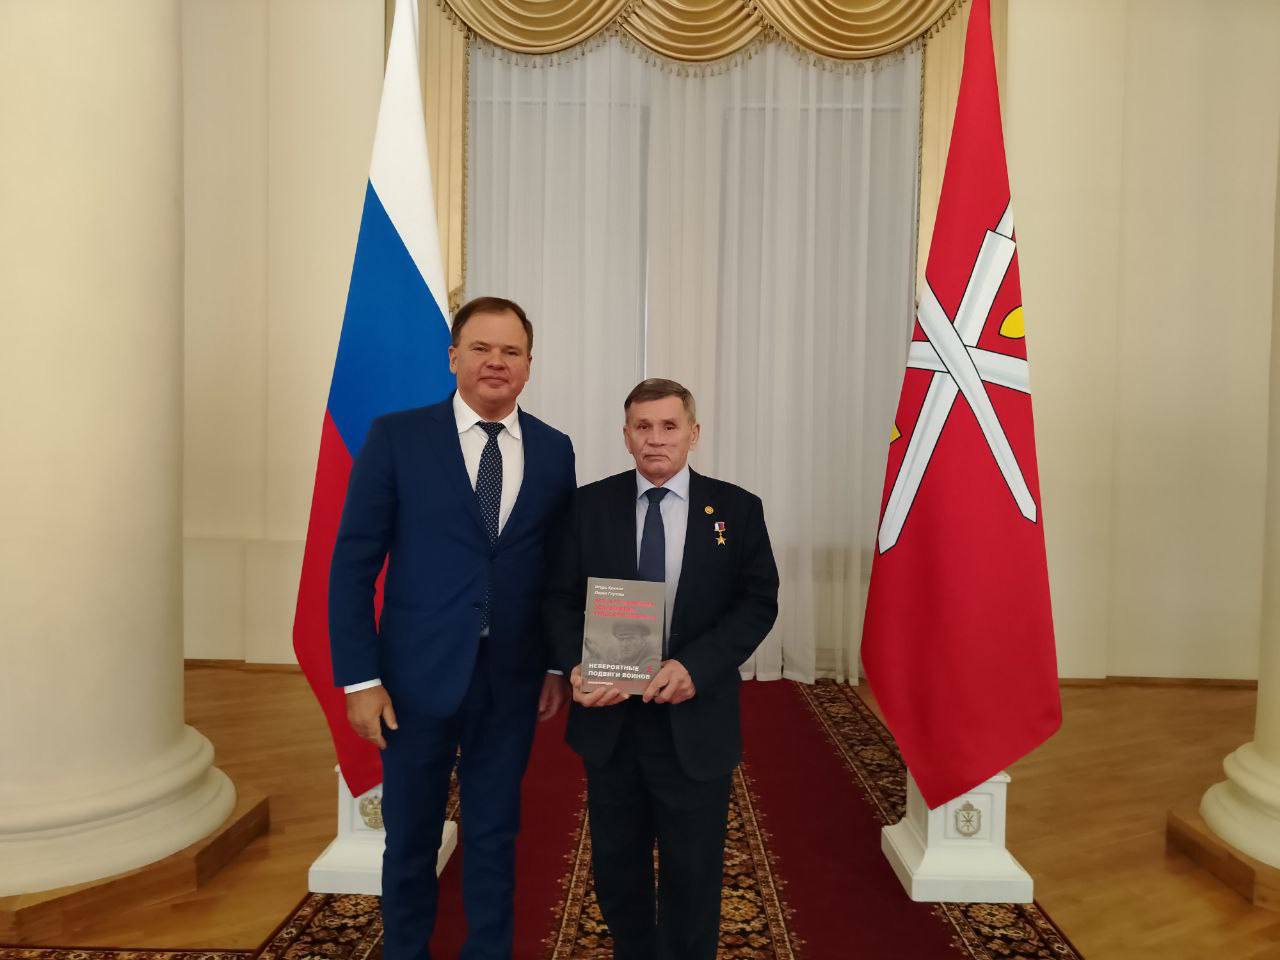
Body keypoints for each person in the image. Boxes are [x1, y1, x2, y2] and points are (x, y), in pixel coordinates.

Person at [328, 296, 575, 960]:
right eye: (481, 348)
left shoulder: (555, 450)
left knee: (495, 835)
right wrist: (359, 679)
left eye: (511, 351)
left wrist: (557, 663)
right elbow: (352, 565)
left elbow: (559, 569)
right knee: (410, 839)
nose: (496, 362)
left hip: (512, 680)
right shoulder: (397, 438)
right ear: (453, 357)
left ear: (529, 365)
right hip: (412, 681)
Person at [544, 377, 780, 960]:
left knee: (693, 870)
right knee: (617, 866)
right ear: (625, 436)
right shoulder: (587, 507)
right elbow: (558, 598)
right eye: (643, 427)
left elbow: (757, 603)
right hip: (611, 721)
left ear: (693, 434)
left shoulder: (737, 509)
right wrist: (576, 664)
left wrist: (696, 666)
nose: (656, 439)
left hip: (694, 719)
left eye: (669, 426)